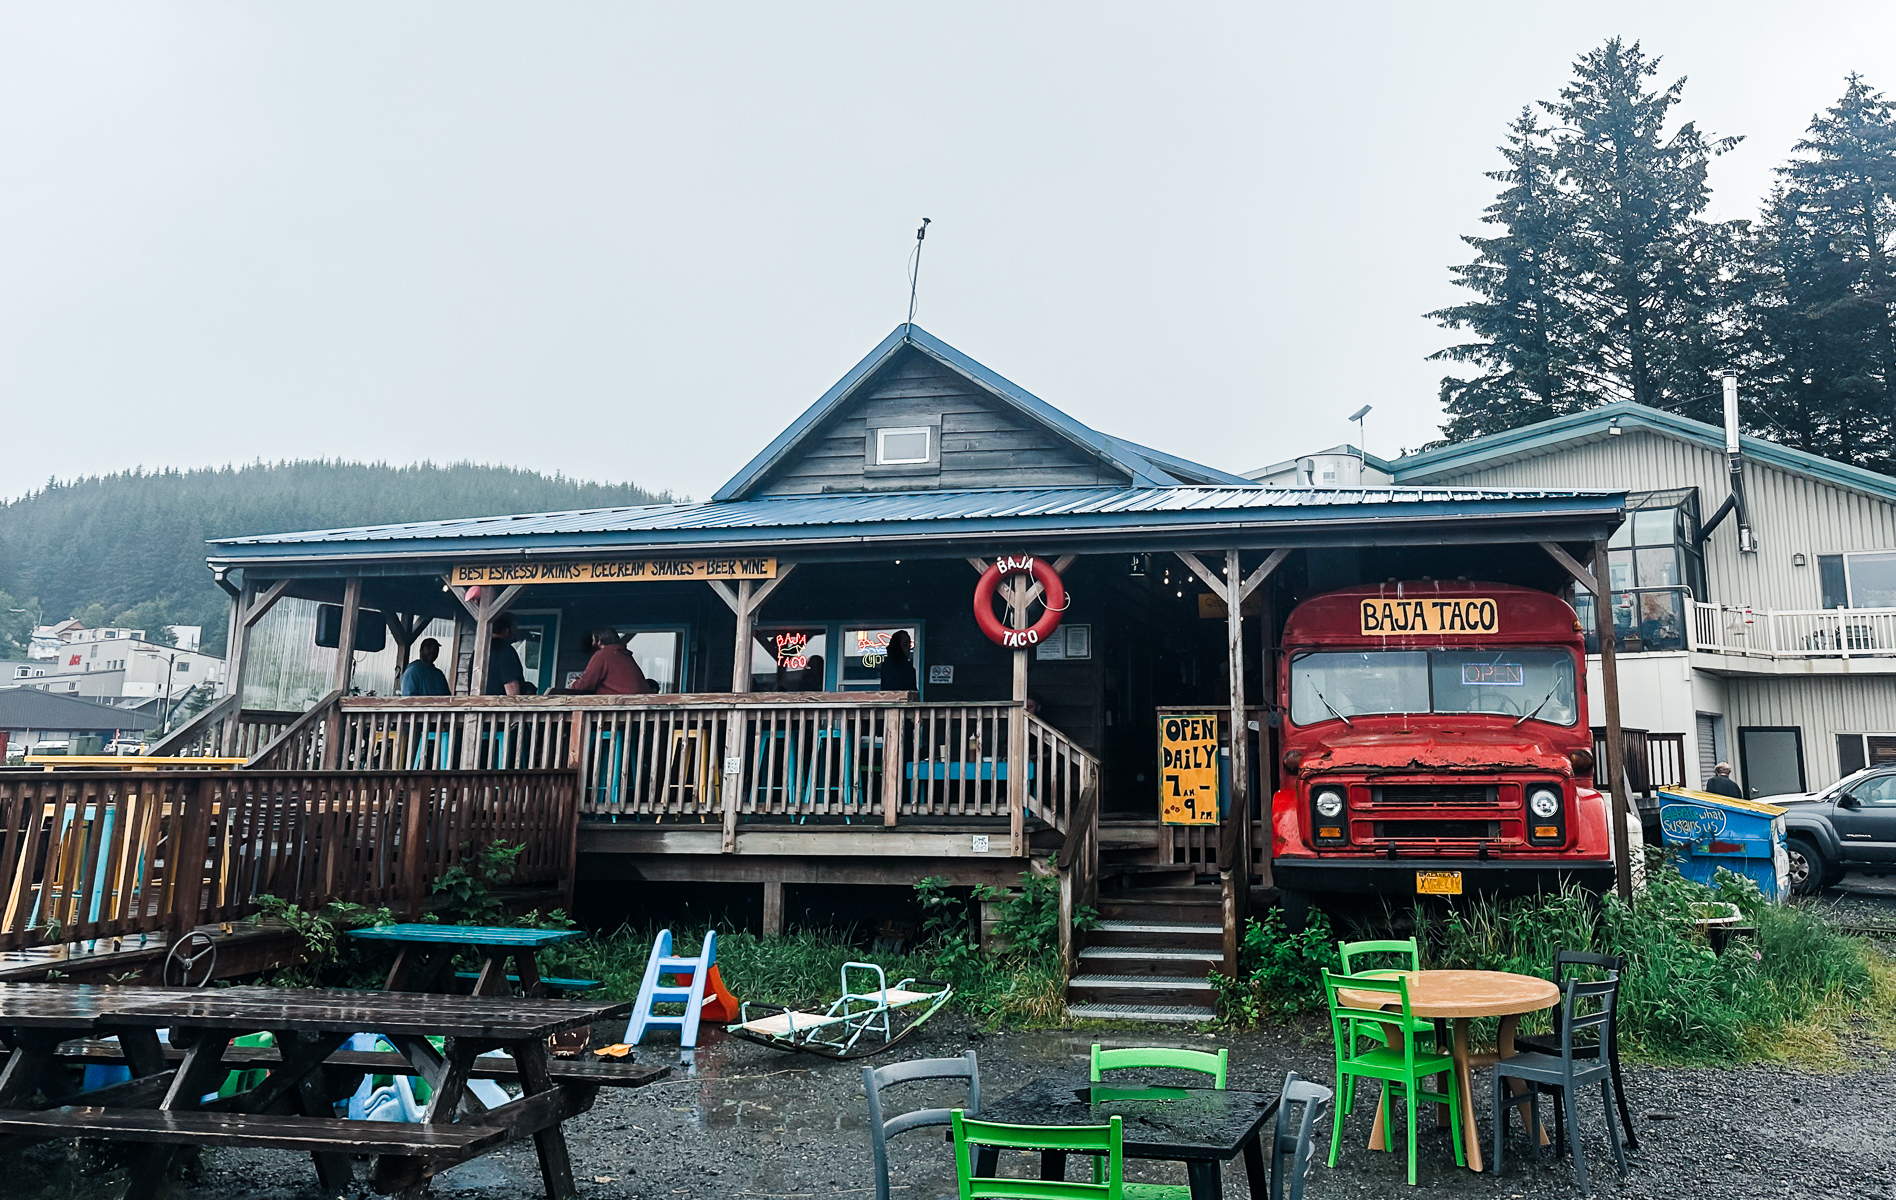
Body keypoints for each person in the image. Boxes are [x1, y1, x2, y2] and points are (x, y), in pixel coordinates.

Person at [561, 627, 655, 695]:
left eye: (593, 640)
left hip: (619, 714)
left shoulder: (602, 655)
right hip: (635, 712)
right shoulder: (623, 655)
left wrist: (573, 684)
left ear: (599, 641)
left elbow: (584, 685)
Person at [483, 613, 529, 696]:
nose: (516, 632)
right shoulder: (505, 650)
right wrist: (514, 706)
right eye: (514, 628)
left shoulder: (479, 651)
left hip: (479, 705)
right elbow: (511, 684)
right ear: (507, 630)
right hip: (498, 707)